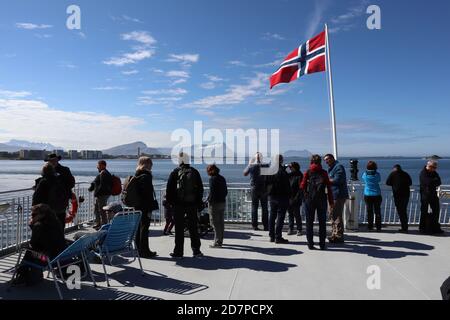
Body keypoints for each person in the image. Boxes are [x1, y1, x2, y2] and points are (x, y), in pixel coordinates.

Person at [11, 204, 67, 286]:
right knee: (31, 252)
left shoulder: (39, 226)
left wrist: (32, 225)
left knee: (29, 252)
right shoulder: (56, 222)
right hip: (59, 254)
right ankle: (26, 274)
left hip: (47, 258)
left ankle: (21, 275)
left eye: (34, 215)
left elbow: (33, 244)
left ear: (42, 214)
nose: (32, 216)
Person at [166, 152, 204, 258]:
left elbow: (169, 190)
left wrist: (171, 203)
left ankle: (178, 252)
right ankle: (196, 251)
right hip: (192, 204)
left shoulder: (175, 172)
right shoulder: (195, 172)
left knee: (179, 228)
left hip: (178, 205)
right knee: (193, 228)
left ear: (180, 161)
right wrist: (197, 202)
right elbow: (200, 189)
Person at [300, 155, 334, 250]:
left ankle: (310, 244)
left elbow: (302, 186)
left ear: (311, 162)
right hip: (321, 200)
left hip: (309, 200)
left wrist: (305, 196)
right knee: (322, 223)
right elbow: (329, 188)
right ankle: (322, 244)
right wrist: (331, 202)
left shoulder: (308, 172)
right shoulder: (324, 173)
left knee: (309, 223)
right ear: (320, 162)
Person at [134, 156, 158, 258]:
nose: (152, 165)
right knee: (145, 228)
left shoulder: (137, 175)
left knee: (139, 228)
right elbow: (147, 194)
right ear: (146, 164)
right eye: (150, 163)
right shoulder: (146, 176)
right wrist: (150, 207)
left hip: (137, 206)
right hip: (145, 206)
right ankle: (145, 251)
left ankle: (139, 250)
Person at [32, 163, 68, 232]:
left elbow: (37, 196)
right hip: (60, 209)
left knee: (47, 231)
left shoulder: (43, 181)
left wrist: (34, 210)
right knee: (59, 229)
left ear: (43, 171)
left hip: (48, 211)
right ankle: (60, 241)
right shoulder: (59, 180)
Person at [45, 153, 75, 228]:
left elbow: (71, 183)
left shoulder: (65, 170)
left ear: (57, 160)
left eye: (54, 160)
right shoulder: (47, 171)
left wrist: (63, 190)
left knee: (60, 221)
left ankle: (60, 237)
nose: (52, 162)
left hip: (61, 200)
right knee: (51, 222)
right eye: (50, 161)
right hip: (50, 201)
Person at [266, 155, 291, 244]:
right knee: (280, 217)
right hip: (282, 196)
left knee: (272, 216)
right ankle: (278, 237)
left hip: (272, 196)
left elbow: (266, 182)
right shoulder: (283, 172)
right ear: (281, 161)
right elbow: (287, 183)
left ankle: (271, 236)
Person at [324, 154, 349, 243]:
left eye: (327, 159)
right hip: (333, 194)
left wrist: (325, 180)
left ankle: (338, 236)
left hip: (338, 195)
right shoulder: (332, 168)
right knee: (332, 214)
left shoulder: (338, 167)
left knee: (336, 215)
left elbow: (338, 180)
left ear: (332, 158)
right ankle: (334, 234)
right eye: (325, 160)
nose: (326, 161)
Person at [243, 152, 269, 231]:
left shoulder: (251, 165)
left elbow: (245, 173)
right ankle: (266, 226)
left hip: (254, 188)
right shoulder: (265, 165)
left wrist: (249, 163)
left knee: (254, 207)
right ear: (262, 158)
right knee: (264, 208)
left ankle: (255, 226)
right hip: (264, 189)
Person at [386, 164, 412, 233]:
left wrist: (394, 184)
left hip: (397, 195)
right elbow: (410, 183)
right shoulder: (406, 174)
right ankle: (405, 227)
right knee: (403, 210)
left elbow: (387, 183)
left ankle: (404, 227)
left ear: (394, 169)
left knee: (400, 211)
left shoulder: (392, 174)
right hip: (406, 195)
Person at [207, 164, 228, 248]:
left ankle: (217, 242)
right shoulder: (222, 178)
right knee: (221, 223)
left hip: (214, 204)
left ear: (211, 171)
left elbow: (212, 192)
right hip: (222, 202)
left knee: (215, 223)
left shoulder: (212, 179)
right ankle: (220, 239)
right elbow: (225, 191)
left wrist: (208, 201)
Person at [419, 160, 443, 234]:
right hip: (425, 195)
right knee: (424, 211)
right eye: (434, 167)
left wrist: (433, 181)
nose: (435, 169)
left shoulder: (434, 173)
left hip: (433, 194)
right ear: (429, 166)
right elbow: (428, 182)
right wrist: (433, 181)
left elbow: (439, 182)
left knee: (436, 211)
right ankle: (422, 228)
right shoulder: (423, 173)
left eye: (435, 168)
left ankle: (435, 227)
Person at [88, 160, 112, 229]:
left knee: (101, 210)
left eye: (98, 165)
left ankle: (103, 225)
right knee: (97, 209)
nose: (97, 167)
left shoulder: (103, 173)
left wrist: (97, 193)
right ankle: (99, 223)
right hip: (103, 195)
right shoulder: (104, 173)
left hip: (101, 195)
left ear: (103, 165)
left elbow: (102, 185)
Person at [362, 161, 382, 231]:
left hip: (367, 194)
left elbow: (363, 178)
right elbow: (379, 180)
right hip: (377, 194)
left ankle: (370, 226)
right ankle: (378, 226)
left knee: (369, 211)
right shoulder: (377, 174)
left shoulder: (365, 174)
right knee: (377, 211)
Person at [287, 162, 303, 236]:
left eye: (291, 167)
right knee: (290, 214)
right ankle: (291, 228)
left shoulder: (299, 175)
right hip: (289, 197)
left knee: (296, 214)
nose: (290, 168)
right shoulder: (289, 175)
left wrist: (297, 197)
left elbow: (300, 188)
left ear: (295, 167)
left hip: (296, 198)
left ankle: (299, 229)